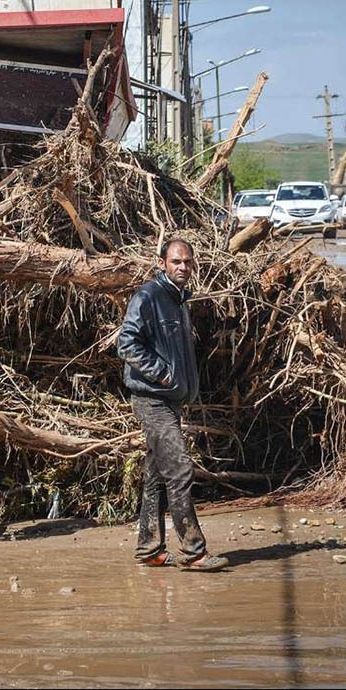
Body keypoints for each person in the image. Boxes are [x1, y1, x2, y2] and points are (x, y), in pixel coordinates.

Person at [117, 239, 228, 572]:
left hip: (170, 401)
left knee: (156, 476)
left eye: (188, 262)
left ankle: (149, 548)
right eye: (177, 261)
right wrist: (163, 375)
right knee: (179, 468)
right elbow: (127, 344)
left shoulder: (179, 300)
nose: (183, 267)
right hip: (152, 399)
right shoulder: (148, 297)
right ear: (162, 262)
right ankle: (194, 552)